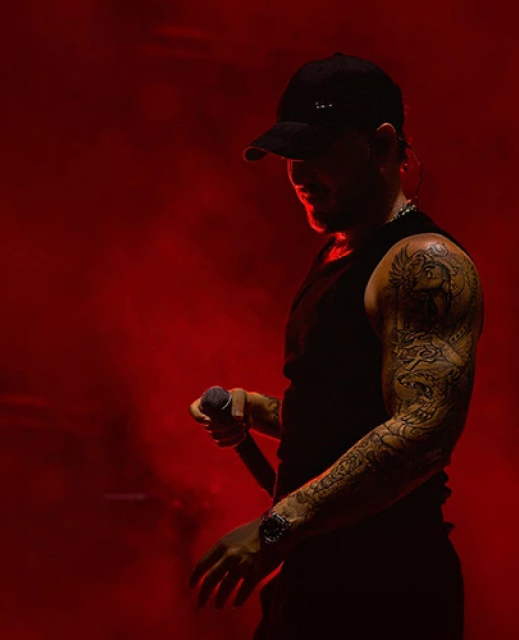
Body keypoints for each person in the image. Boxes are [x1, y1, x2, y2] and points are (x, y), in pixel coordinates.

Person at [187, 52, 483, 639]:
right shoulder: (339, 252)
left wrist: (275, 529)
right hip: (314, 582)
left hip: (385, 595)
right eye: (290, 156)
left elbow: (421, 432)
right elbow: (350, 421)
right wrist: (257, 409)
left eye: (317, 152)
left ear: (381, 144)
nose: (298, 175)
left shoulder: (425, 263)